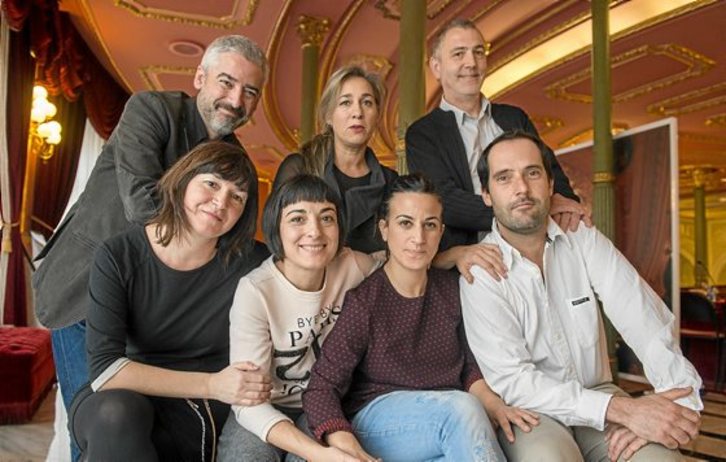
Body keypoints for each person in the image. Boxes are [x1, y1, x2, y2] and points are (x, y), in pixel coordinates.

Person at [31, 34, 268, 459]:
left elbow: (237, 239)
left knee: (133, 425)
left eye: (250, 91)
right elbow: (141, 202)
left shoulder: (233, 161)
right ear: (200, 77)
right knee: (96, 424)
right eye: (227, 82)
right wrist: (207, 222)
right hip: (84, 287)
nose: (236, 100)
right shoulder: (152, 110)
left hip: (150, 312)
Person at [460, 130, 703, 461]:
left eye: (532, 173)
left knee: (660, 459)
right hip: (531, 410)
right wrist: (623, 410)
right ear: (487, 195)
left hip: (597, 391)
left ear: (550, 184)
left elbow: (642, 317)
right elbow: (515, 381)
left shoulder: (581, 237)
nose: (522, 188)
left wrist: (677, 400)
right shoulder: (480, 271)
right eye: (504, 178)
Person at [303, 174, 539, 462]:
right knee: (461, 410)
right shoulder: (365, 303)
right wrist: (342, 439)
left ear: (441, 232)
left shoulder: (453, 289)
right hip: (380, 421)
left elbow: (469, 366)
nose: (418, 238)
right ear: (385, 229)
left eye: (429, 225)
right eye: (405, 223)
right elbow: (321, 386)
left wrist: (493, 405)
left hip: (449, 418)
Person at [69, 141, 270, 461]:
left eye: (237, 197)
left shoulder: (253, 262)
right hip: (127, 392)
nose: (221, 201)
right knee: (115, 414)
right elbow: (106, 370)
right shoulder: (118, 255)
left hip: (199, 408)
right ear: (183, 181)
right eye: (212, 183)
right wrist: (213, 385)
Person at [405, 18, 589, 277]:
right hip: (472, 265)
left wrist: (564, 202)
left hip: (541, 253)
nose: (471, 62)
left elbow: (552, 175)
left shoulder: (514, 117)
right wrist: (526, 211)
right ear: (436, 67)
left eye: (478, 52)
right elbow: (444, 201)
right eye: (459, 54)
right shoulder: (423, 133)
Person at [217, 174, 382, 461]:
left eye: (327, 218)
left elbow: (401, 265)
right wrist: (320, 454)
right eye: (297, 219)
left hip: (326, 404)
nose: (315, 232)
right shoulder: (256, 290)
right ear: (276, 228)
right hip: (265, 406)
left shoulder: (353, 266)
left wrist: (451, 256)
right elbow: (247, 403)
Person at [273, 65, 397, 254]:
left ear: (377, 115)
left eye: (367, 102)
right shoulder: (299, 168)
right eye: (346, 102)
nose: (358, 112)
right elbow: (276, 239)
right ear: (329, 115)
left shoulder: (391, 182)